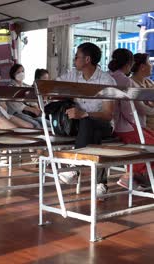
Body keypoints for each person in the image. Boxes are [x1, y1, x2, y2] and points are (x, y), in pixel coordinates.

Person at [56, 42, 117, 197]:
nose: (74, 60)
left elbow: (108, 114)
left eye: (77, 57)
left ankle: (74, 167)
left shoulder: (106, 81)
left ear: (87, 59)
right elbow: (52, 85)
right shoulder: (73, 75)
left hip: (104, 125)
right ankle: (100, 184)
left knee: (89, 123)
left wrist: (84, 114)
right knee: (92, 132)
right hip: (81, 127)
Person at [115, 53, 154, 189]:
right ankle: (132, 176)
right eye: (149, 63)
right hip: (135, 125)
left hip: (138, 124)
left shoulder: (148, 83)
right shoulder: (129, 83)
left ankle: (140, 177)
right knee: (148, 146)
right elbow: (137, 111)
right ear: (142, 66)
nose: (151, 65)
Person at [7, 64, 42, 128]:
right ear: (13, 74)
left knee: (46, 122)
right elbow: (17, 106)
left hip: (30, 112)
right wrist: (33, 110)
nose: (21, 73)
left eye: (23, 71)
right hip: (17, 113)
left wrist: (36, 108)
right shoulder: (10, 88)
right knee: (36, 124)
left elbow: (32, 100)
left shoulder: (26, 86)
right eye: (18, 72)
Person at [138, 12, 154, 80]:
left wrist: (140, 45)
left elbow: (142, 29)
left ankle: (148, 83)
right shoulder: (146, 15)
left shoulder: (145, 14)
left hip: (148, 45)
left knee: (148, 66)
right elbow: (143, 29)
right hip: (149, 45)